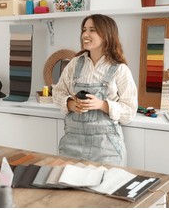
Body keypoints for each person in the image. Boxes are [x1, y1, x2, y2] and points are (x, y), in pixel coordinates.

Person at [52, 14, 137, 167]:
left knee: (104, 189)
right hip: (72, 143)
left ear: (107, 35)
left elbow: (130, 112)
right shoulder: (74, 64)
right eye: (84, 29)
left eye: (92, 30)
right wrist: (71, 104)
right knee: (67, 189)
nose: (85, 34)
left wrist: (102, 105)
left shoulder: (120, 69)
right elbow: (57, 92)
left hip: (106, 148)